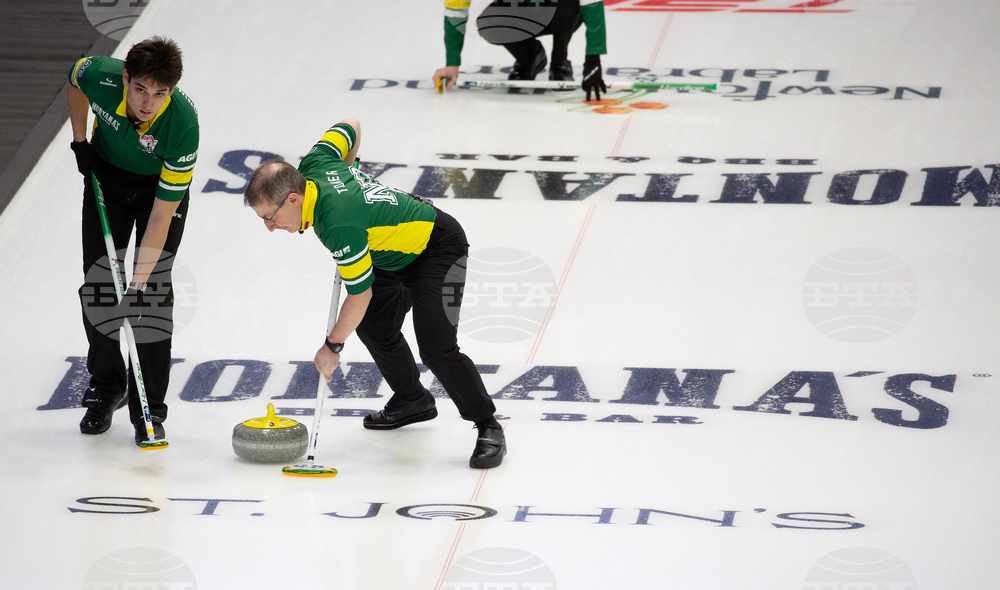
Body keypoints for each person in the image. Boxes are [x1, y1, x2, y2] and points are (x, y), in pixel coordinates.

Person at [242, 119, 506, 469]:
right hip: (384, 252)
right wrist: (349, 164)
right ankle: (413, 400)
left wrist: (332, 346)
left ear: (293, 198)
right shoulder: (315, 163)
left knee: (436, 346)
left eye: (271, 217)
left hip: (437, 247)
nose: (271, 228)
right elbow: (349, 124)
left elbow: (360, 295)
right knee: (373, 328)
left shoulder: (338, 224)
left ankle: (488, 424)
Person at [68, 37, 199, 446]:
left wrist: (139, 287)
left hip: (157, 192)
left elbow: (161, 216)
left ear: (171, 91)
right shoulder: (100, 76)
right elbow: (74, 81)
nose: (148, 102)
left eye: (160, 93)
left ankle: (150, 408)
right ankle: (108, 388)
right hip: (106, 175)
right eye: (141, 89)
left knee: (154, 295)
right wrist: (80, 142)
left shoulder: (183, 127)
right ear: (125, 78)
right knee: (100, 287)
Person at [434, 0, 608, 100]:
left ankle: (559, 63)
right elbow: (455, 12)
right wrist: (452, 64)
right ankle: (531, 57)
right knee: (489, 24)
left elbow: (592, 5)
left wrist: (593, 60)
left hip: (562, 10)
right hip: (523, 9)